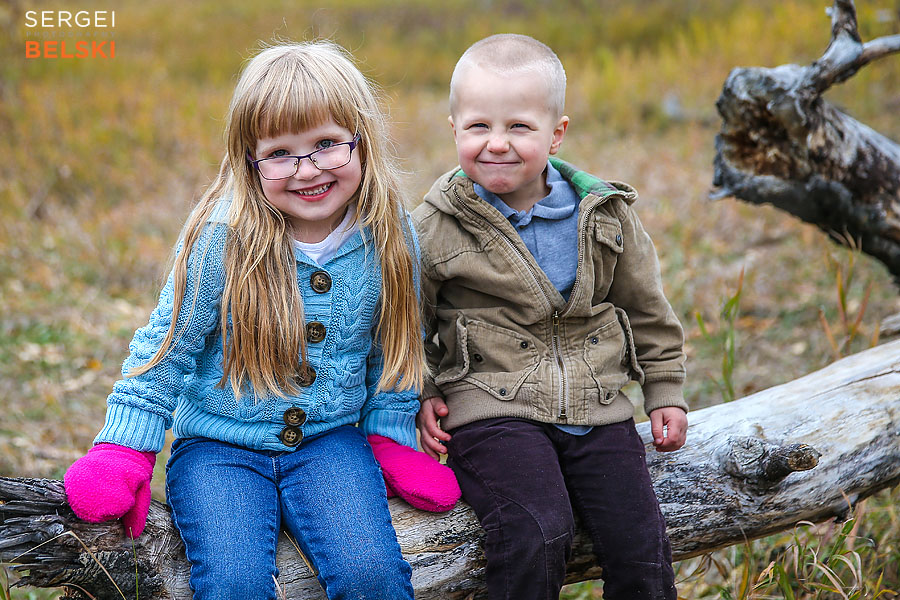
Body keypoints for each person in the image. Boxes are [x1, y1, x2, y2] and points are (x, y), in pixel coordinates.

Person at [64, 41, 459, 600]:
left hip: (331, 443)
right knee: (232, 584)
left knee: (373, 576)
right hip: (217, 451)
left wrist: (391, 435)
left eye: (327, 144)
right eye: (280, 153)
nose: (308, 170)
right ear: (248, 159)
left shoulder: (388, 230)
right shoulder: (223, 238)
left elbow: (396, 344)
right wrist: (125, 450)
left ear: (362, 141)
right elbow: (165, 347)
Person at [413, 33, 688, 600]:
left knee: (641, 540)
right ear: (453, 128)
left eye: (519, 127)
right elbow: (404, 323)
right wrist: (420, 390)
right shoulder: (433, 227)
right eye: (478, 127)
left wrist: (664, 388)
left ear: (556, 132)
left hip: (596, 402)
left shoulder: (602, 214)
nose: (496, 144)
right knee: (536, 528)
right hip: (491, 403)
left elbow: (645, 308)